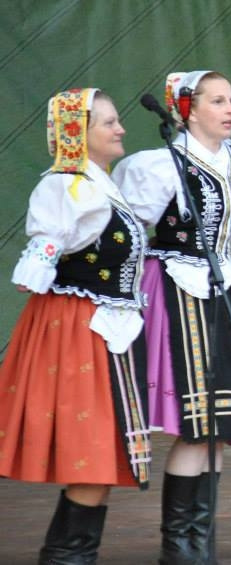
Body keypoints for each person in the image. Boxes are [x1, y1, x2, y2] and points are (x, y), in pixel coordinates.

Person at [113, 70, 231, 564]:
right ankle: (178, 543)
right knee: (197, 423)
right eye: (217, 101)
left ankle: (199, 540)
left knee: (220, 423)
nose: (229, 109)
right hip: (180, 288)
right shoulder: (162, 164)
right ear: (186, 110)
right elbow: (131, 228)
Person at [0, 89, 151, 562]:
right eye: (108, 123)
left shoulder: (102, 185)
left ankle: (68, 554)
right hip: (78, 328)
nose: (120, 128)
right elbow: (47, 243)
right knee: (93, 453)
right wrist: (38, 262)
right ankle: (66, 556)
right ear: (77, 134)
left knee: (102, 456)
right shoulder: (67, 186)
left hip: (108, 328)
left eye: (117, 120)